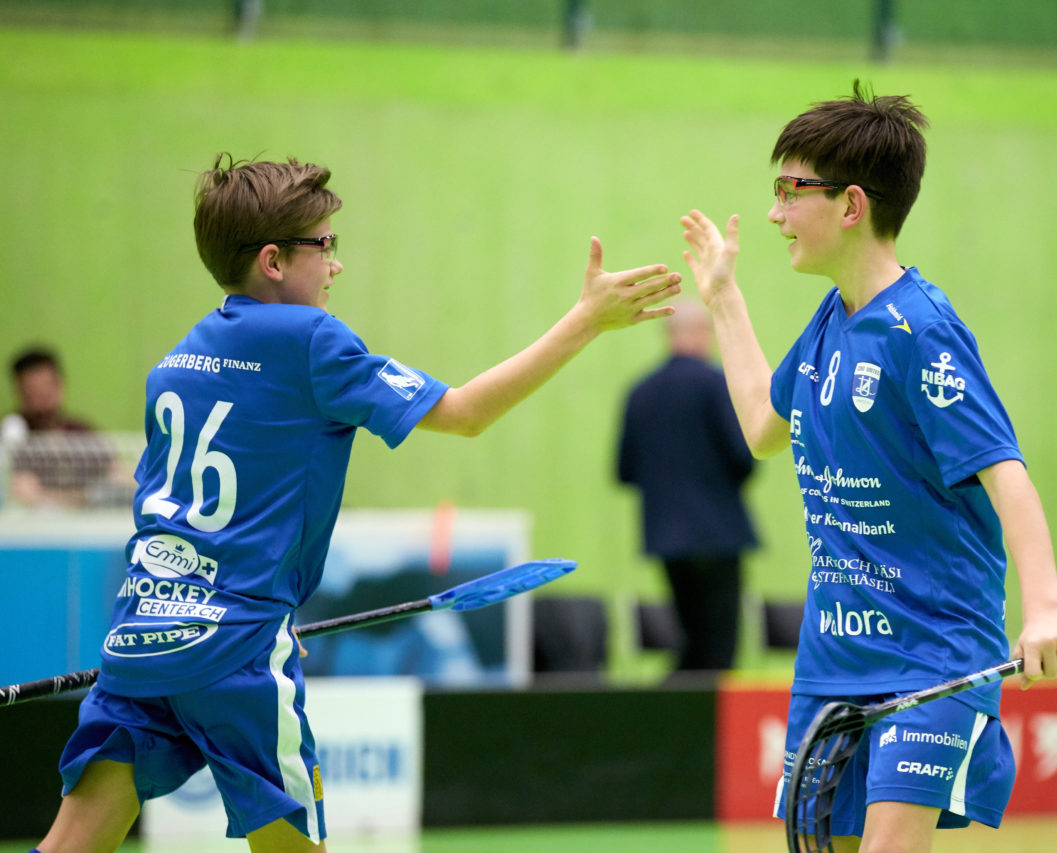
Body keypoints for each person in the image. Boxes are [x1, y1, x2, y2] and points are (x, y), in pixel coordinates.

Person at [34, 152, 681, 853]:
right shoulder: (312, 341)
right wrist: (586, 320)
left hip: (139, 636)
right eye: (325, 245)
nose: (336, 264)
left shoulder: (180, 356)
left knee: (71, 842)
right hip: (239, 650)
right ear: (275, 261)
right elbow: (463, 413)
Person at [679, 83, 1057, 851]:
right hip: (833, 658)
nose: (774, 213)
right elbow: (765, 424)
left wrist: (1046, 608)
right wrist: (723, 298)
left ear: (852, 205)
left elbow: (1006, 473)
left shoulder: (922, 331)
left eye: (789, 191)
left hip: (931, 656)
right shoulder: (833, 318)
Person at [617, 301, 758, 673]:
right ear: (699, 333)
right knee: (721, 644)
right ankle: (716, 726)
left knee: (689, 638)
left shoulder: (639, 392)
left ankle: (687, 720)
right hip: (719, 534)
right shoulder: (715, 384)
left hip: (667, 536)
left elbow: (624, 471)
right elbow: (744, 457)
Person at [3, 346, 116, 508]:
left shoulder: (81, 433)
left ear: (60, 386)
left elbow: (117, 473)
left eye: (47, 393)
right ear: (19, 392)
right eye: (32, 395)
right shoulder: (9, 437)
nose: (42, 405)